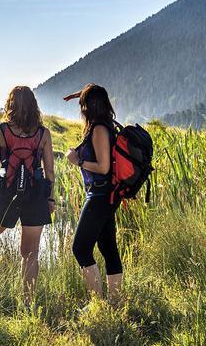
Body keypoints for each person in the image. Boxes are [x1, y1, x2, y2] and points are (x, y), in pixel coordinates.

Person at [0, 85, 56, 304]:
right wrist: (50, 198)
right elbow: (49, 171)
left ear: (10, 103)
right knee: (30, 254)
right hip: (36, 196)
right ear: (33, 105)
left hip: (7, 195)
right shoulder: (43, 133)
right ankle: (28, 304)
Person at [64, 83, 122, 304]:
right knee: (108, 248)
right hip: (107, 196)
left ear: (91, 106)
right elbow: (97, 92)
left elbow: (103, 167)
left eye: (83, 104)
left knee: (80, 248)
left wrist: (77, 160)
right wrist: (82, 94)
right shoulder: (104, 124)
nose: (81, 109)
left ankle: (97, 304)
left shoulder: (98, 129)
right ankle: (115, 304)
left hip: (99, 195)